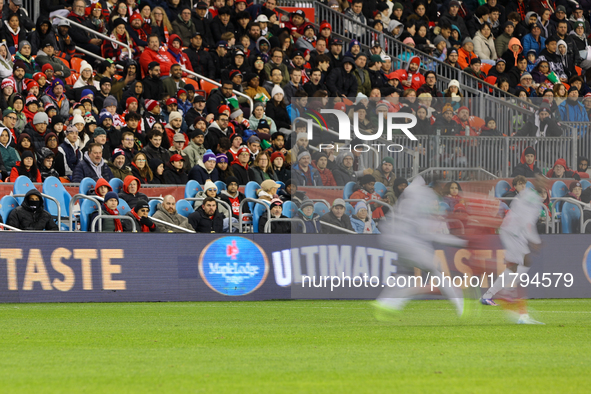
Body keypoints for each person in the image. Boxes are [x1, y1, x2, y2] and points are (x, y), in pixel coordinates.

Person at [373, 176, 467, 318]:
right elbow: (429, 232)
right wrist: (459, 242)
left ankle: (388, 302)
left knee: (407, 275)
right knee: (435, 270)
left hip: (392, 237)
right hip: (406, 241)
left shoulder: (411, 193)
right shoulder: (425, 197)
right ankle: (458, 303)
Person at [480, 176, 546, 324]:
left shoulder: (527, 194)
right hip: (513, 232)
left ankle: (489, 295)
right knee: (522, 262)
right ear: (535, 183)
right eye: (541, 180)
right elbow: (527, 222)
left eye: (545, 181)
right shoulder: (531, 198)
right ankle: (507, 294)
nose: (544, 183)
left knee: (517, 265)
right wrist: (535, 240)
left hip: (513, 231)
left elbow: (523, 218)